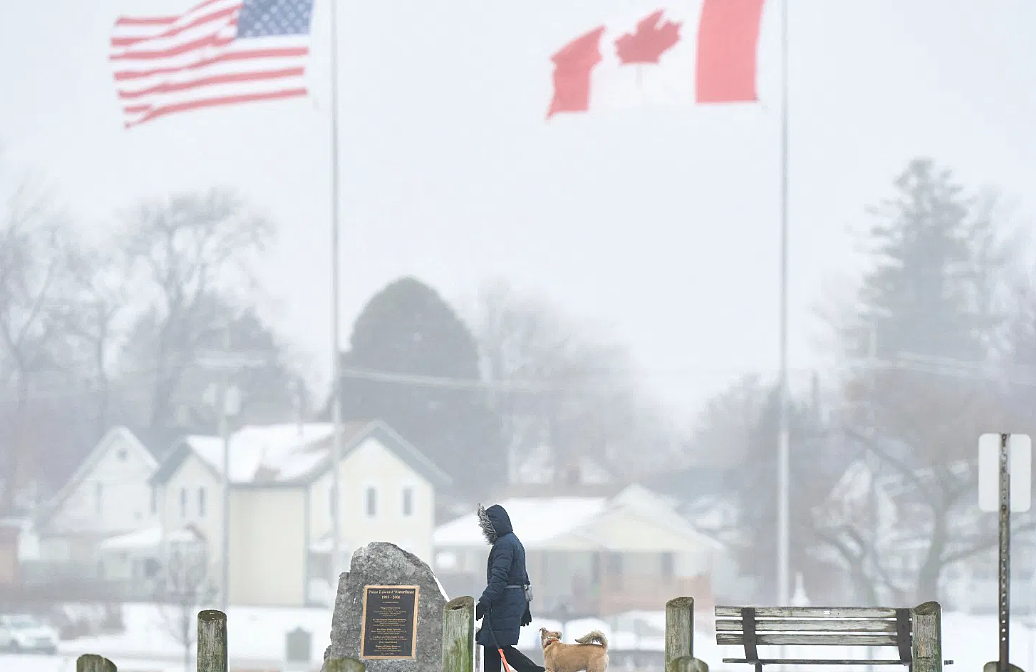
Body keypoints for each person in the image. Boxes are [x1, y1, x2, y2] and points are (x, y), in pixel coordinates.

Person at [475, 503, 545, 672]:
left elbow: (499, 579)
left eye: (486, 526)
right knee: (493, 645)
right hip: (511, 602)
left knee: (500, 646)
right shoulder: (513, 542)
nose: (484, 530)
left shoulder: (504, 545)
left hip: (504, 603)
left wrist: (483, 603)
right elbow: (523, 578)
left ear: (495, 525)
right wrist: (525, 607)